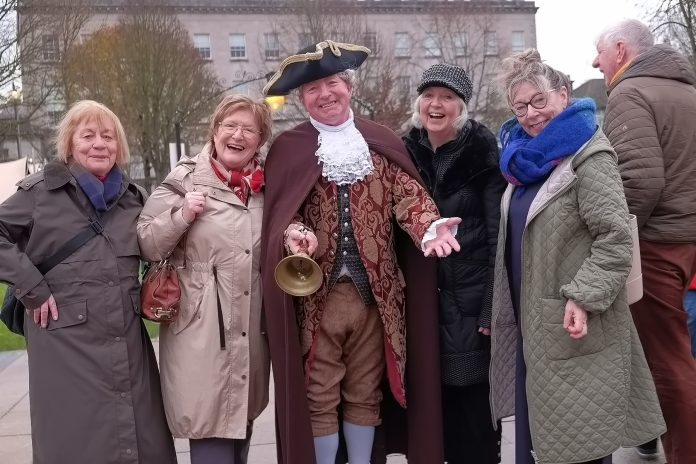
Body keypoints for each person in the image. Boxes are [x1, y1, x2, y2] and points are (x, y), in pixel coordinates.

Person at [260, 40, 460, 464]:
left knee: (366, 392)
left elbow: (409, 197)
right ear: (302, 98)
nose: (325, 94)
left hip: (377, 299)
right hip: (317, 301)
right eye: (313, 89)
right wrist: (294, 234)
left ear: (349, 86)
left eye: (332, 83)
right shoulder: (289, 148)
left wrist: (429, 226)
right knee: (318, 393)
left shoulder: (380, 141)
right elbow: (281, 215)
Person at [489, 49, 665, 464]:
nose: (530, 115)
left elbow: (615, 238)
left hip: (569, 321)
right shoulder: (522, 159)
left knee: (577, 441)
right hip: (530, 319)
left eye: (539, 102)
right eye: (520, 106)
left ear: (563, 96)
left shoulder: (589, 155)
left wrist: (583, 296)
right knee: (550, 436)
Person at [0, 100, 176, 464]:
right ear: (70, 144)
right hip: (65, 350)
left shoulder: (133, 199)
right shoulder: (39, 194)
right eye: (88, 135)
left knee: (143, 446)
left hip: (127, 349)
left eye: (108, 136)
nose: (100, 144)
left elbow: (162, 246)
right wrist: (30, 286)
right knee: (74, 446)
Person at [137, 95, 272, 464]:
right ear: (214, 132)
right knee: (211, 433)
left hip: (250, 330)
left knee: (240, 429)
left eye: (249, 129)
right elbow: (146, 241)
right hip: (201, 332)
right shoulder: (185, 177)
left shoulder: (268, 188)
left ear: (260, 140)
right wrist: (180, 216)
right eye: (230, 125)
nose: (238, 135)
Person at [592, 19, 696, 463]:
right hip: (688, 237)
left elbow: (638, 183)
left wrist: (615, 243)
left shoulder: (628, 93)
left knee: (669, 365)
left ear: (620, 49)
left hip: (658, 244)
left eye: (598, 52)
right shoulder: (687, 91)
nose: (593, 62)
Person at [403, 63, 506, 464]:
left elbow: (498, 236)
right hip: (423, 306)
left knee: (475, 424)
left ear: (461, 107)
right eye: (429, 95)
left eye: (447, 97)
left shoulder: (482, 154)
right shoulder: (405, 152)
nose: (436, 104)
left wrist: (490, 306)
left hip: (470, 305)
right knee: (432, 423)